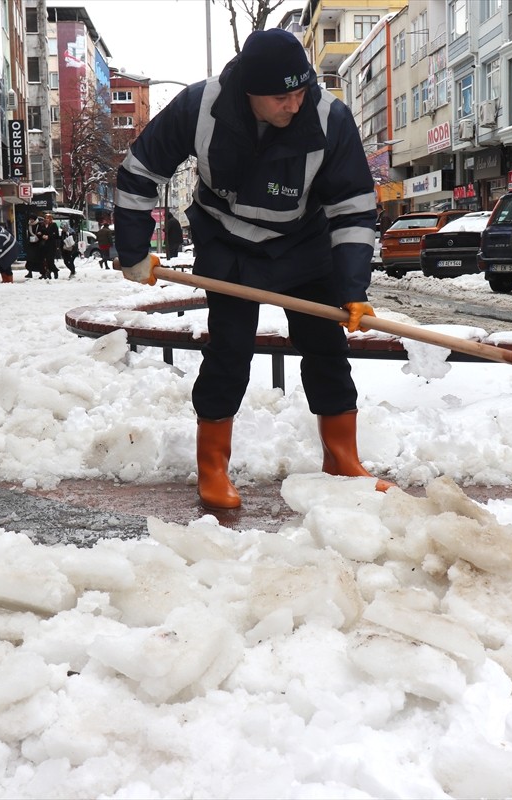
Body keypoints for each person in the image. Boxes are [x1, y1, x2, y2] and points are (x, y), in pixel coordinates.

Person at [112, 28, 389, 510]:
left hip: (304, 244)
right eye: (282, 96)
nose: (295, 104)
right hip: (227, 245)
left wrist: (351, 287)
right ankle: (213, 467)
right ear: (249, 91)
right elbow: (139, 170)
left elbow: (354, 208)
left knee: (326, 346)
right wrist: (133, 249)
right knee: (230, 351)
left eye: (302, 91)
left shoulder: (329, 118)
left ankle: (343, 459)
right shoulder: (200, 107)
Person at [38, 211, 60, 279]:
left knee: (50, 260)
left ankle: (55, 271)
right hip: (44, 246)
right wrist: (41, 235)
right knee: (46, 261)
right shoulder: (42, 225)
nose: (46, 220)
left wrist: (49, 237)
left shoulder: (54, 225)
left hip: (51, 246)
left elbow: (56, 235)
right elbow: (40, 233)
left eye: (47, 218)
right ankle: (49, 273)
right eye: (45, 218)